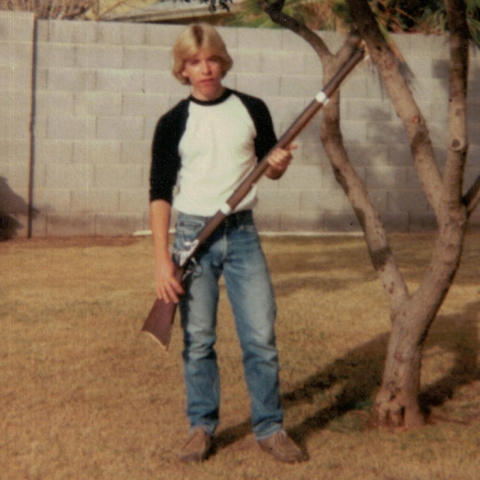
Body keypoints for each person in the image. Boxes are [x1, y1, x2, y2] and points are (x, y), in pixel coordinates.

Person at [149, 23, 305, 464]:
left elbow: (270, 168)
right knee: (197, 340)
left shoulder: (252, 108)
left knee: (260, 337)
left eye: (212, 59)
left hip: (242, 234)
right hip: (191, 238)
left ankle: (270, 428)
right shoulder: (172, 122)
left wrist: (278, 163)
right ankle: (201, 427)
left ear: (223, 61)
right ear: (182, 69)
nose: (205, 69)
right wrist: (163, 259)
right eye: (194, 62)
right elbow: (159, 192)